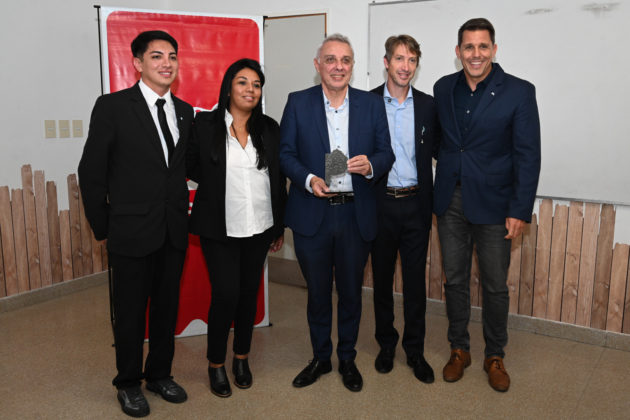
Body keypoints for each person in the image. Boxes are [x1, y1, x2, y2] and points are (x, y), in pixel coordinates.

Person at [78, 30, 192, 417]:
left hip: (173, 230)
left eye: (172, 56)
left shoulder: (185, 111)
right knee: (129, 314)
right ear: (137, 63)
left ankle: (159, 374)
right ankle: (127, 383)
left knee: (166, 309)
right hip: (129, 231)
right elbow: (91, 171)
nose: (166, 63)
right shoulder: (112, 107)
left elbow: (182, 169)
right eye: (157, 56)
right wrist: (105, 227)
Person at [280, 34, 395, 392]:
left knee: (350, 293)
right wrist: (308, 179)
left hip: (354, 214)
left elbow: (386, 153)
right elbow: (285, 154)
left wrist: (370, 165)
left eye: (345, 60)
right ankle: (320, 357)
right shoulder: (297, 102)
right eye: (330, 59)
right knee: (317, 293)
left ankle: (347, 358)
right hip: (312, 212)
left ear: (352, 66)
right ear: (318, 65)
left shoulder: (371, 104)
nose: (338, 66)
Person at [432, 18, 541, 392]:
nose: (475, 54)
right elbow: (443, 142)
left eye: (482, 46)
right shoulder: (443, 88)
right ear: (458, 51)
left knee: (495, 285)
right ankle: (459, 349)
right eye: (468, 47)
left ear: (494, 49)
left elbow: (528, 155)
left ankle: (495, 355)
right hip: (451, 200)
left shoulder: (519, 92)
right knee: (455, 279)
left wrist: (519, 209)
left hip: (496, 205)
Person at [186, 58, 287, 398]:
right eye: (243, 82)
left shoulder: (269, 128)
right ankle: (215, 363)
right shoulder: (205, 125)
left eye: (256, 85)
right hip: (220, 228)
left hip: (259, 225)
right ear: (229, 87)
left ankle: (241, 358)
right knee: (225, 294)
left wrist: (278, 226)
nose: (250, 89)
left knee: (248, 295)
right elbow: (192, 166)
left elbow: (277, 179)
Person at [369, 35, 440, 384]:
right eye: (399, 58)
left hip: (416, 205)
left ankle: (415, 350)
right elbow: (345, 145)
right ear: (387, 62)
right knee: (381, 281)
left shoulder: (428, 106)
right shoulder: (366, 103)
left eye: (412, 60)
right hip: (379, 205)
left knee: (414, 284)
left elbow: (442, 151)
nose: (405, 66)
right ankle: (386, 345)